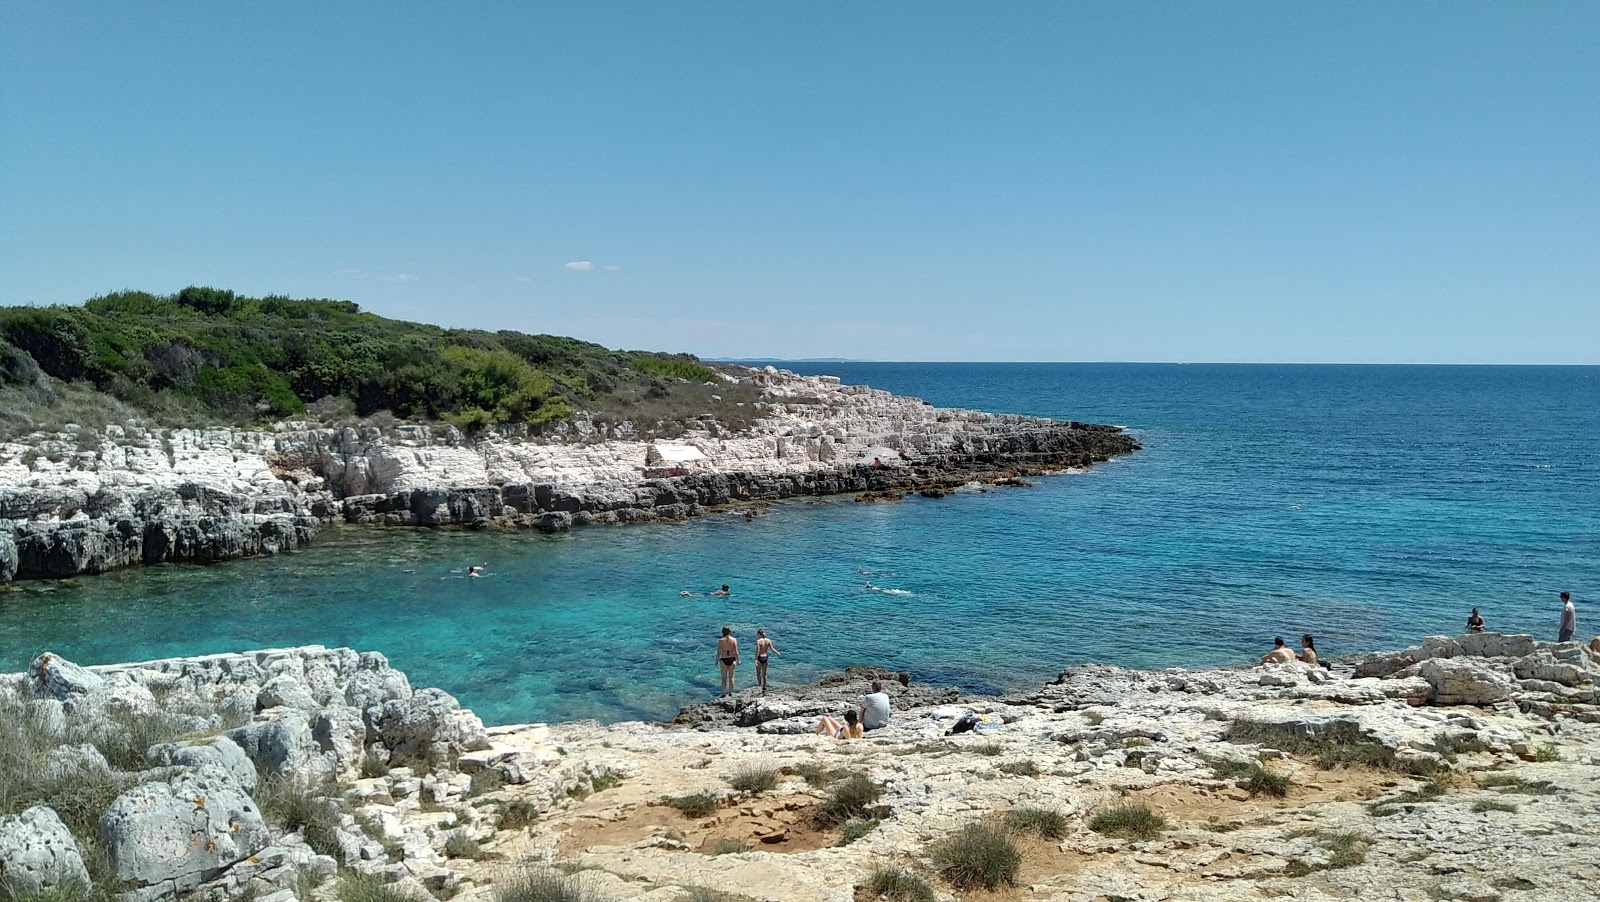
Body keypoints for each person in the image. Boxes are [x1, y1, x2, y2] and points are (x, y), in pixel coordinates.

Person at [715, 626, 739, 697]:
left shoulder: (721, 641)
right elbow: (736, 651)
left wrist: (716, 660)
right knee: (731, 677)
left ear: (722, 632)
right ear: (730, 632)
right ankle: (730, 692)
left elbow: (719, 652)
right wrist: (738, 660)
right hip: (732, 658)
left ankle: (723, 693)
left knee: (724, 678)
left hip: (723, 659)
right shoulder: (734, 640)